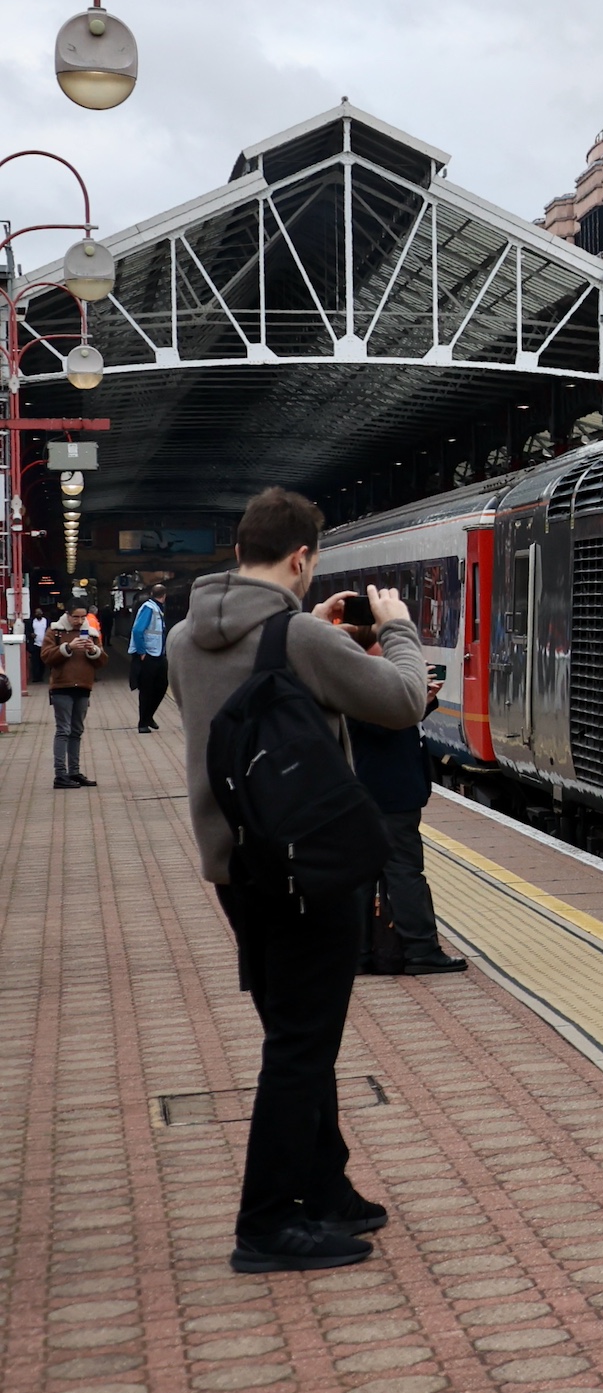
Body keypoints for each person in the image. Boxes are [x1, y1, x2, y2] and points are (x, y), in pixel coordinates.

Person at [172, 487, 428, 1274]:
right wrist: (397, 629)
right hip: (310, 866)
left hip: (236, 864)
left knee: (295, 1031)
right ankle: (267, 1221)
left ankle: (326, 1190)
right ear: (301, 558)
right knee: (301, 1046)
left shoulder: (186, 635)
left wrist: (304, 639)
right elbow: (404, 700)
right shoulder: (301, 639)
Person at [345, 627, 468, 975]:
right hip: (388, 795)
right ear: (369, 653)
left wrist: (422, 702)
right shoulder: (363, 684)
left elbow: (391, 725)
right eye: (387, 650)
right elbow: (384, 728)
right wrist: (413, 700)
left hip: (374, 791)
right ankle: (420, 948)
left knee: (365, 875)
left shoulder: (358, 681)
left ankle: (360, 952)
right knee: (404, 872)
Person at [40, 606, 105, 789]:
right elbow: (46, 656)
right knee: (63, 730)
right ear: (67, 615)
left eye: (83, 617)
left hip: (83, 686)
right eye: (75, 617)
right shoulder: (55, 631)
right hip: (62, 686)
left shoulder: (91, 633)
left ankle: (74, 772)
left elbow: (102, 661)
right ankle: (60, 774)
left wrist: (93, 651)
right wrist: (67, 648)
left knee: (77, 730)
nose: (79, 621)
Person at [129, 583, 170, 733]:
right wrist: (142, 652)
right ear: (164, 596)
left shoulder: (157, 608)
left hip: (158, 653)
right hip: (148, 654)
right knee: (147, 689)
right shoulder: (149, 608)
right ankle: (143, 723)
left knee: (162, 686)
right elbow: (138, 630)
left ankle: (149, 716)